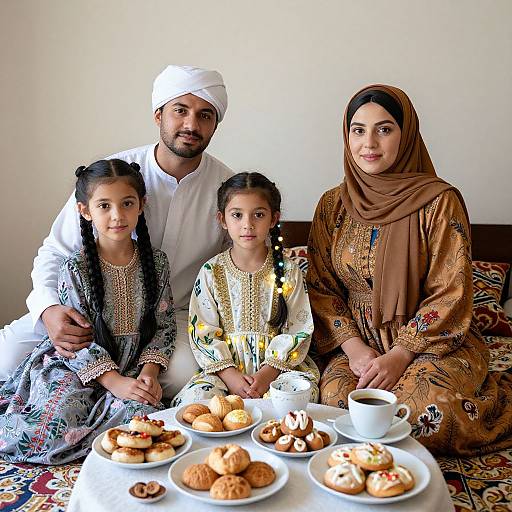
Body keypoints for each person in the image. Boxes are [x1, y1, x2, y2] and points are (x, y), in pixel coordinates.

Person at [0, 65, 233, 399]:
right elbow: (55, 251)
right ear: (158, 115)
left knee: (181, 377)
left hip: (166, 318)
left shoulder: (226, 189)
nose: (191, 125)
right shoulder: (112, 175)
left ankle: (111, 396)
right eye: (180, 111)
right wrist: (49, 309)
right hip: (85, 308)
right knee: (6, 359)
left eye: (205, 115)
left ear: (215, 123)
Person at [307, 84, 512, 456]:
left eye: (384, 129)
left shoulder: (439, 202)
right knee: (336, 408)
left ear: (406, 134)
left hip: (433, 343)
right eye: (358, 129)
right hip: (360, 343)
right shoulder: (332, 204)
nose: (369, 142)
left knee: (417, 415)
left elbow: (451, 291)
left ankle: (497, 402)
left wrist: (401, 353)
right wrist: (355, 349)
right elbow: (321, 287)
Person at [0, 159, 175, 464]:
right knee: (47, 428)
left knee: (144, 416)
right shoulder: (75, 267)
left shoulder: (157, 263)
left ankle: (105, 434)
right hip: (77, 367)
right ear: (85, 210)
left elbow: (164, 326)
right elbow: (77, 343)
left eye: (127, 203)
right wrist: (114, 382)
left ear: (141, 205)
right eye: (104, 206)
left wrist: (148, 374)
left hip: (132, 364)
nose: (117, 215)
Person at [171, 172, 320, 406]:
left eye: (258, 215)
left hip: (279, 371)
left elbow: (299, 328)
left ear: (273, 219)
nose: (247, 225)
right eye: (237, 215)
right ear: (222, 219)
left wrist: (267, 374)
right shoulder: (211, 271)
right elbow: (202, 332)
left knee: (297, 394)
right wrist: (230, 376)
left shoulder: (289, 271)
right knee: (196, 399)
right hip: (223, 373)